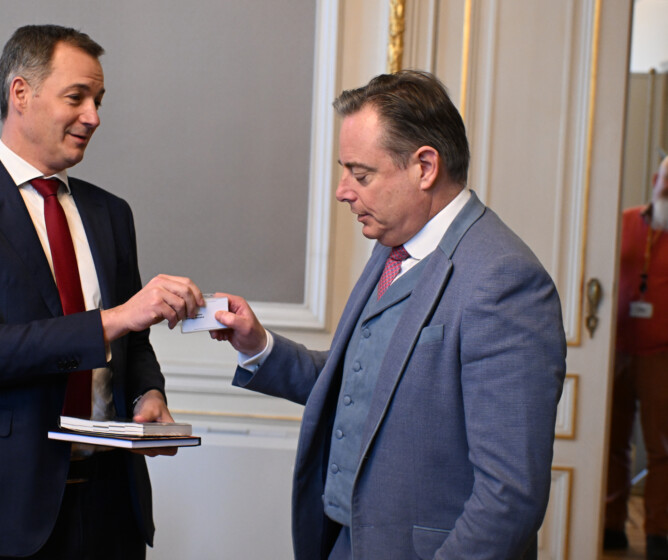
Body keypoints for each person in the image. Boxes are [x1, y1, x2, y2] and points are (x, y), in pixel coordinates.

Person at [210, 70, 567, 559]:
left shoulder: (505, 281)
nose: (341, 191)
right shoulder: (394, 243)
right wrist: (259, 346)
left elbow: (510, 496)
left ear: (424, 167)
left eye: (360, 174)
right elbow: (361, 383)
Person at [0, 24, 204, 560]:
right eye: (77, 97)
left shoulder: (111, 213)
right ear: (21, 93)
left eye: (99, 100)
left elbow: (134, 344)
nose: (94, 116)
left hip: (110, 509)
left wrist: (147, 395)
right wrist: (113, 318)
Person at [604, 155, 668, 559]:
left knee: (662, 449)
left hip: (662, 355)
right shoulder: (624, 221)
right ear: (655, 179)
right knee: (612, 440)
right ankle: (610, 525)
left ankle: (659, 532)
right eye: (667, 181)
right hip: (616, 350)